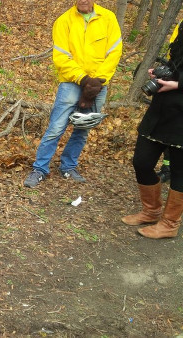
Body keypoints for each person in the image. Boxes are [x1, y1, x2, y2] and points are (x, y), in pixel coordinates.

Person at [23, 0, 122, 188]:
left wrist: (97, 81)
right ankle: (40, 169)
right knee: (56, 127)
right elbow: (61, 57)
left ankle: (68, 166)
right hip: (71, 82)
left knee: (83, 127)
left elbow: (115, 52)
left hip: (98, 84)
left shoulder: (108, 18)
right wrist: (84, 80)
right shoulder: (63, 21)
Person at [121, 20, 183, 239]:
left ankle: (169, 224)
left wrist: (177, 84)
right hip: (162, 108)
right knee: (142, 161)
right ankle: (151, 211)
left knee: (179, 172)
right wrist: (162, 75)